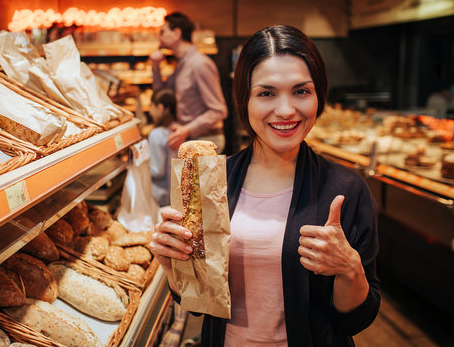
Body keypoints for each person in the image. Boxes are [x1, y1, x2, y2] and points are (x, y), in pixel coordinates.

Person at [149, 25, 380, 346]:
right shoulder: (215, 181)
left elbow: (356, 318)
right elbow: (198, 303)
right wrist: (173, 263)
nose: (286, 110)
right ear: (244, 99)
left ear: (319, 96)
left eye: (301, 91)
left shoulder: (345, 189)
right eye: (266, 93)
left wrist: (350, 269)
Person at [150, 11, 228, 152]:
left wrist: (187, 129)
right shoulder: (181, 66)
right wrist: (155, 68)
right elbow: (160, 95)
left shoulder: (199, 64)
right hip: (192, 140)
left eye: (162, 31)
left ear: (176, 33)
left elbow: (218, 111)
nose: (158, 36)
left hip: (205, 141)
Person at [148, 88, 178, 207]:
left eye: (151, 107)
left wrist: (139, 165)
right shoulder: (178, 132)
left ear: (160, 107)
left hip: (161, 198)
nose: (150, 112)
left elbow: (157, 171)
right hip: (175, 195)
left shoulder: (156, 134)